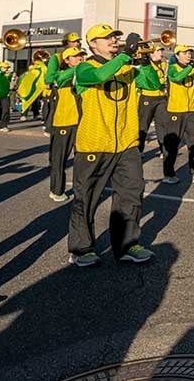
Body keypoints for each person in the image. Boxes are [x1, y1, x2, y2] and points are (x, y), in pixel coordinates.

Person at [68, 24, 159, 266]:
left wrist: (147, 61)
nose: (113, 40)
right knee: (85, 199)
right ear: (92, 44)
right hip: (94, 144)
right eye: (106, 38)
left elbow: (152, 85)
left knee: (131, 194)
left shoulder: (127, 67)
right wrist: (125, 56)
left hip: (127, 143)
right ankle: (81, 248)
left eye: (115, 37)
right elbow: (100, 76)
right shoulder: (85, 68)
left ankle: (127, 244)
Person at [162, 45, 194, 185]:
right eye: (185, 53)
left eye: (189, 53)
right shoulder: (172, 67)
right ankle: (168, 173)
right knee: (173, 144)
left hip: (190, 110)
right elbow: (177, 78)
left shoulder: (193, 69)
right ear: (177, 55)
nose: (188, 55)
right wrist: (191, 68)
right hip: (175, 111)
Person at [48, 46, 86, 202]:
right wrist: (80, 68)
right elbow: (58, 79)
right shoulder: (61, 75)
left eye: (81, 56)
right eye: (76, 56)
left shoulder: (82, 73)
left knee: (82, 158)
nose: (80, 58)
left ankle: (82, 190)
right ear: (67, 60)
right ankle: (56, 190)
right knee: (59, 159)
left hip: (81, 122)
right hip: (63, 123)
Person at [136, 45, 170, 156]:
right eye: (158, 51)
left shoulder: (165, 64)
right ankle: (139, 150)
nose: (161, 53)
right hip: (147, 97)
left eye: (161, 51)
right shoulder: (144, 66)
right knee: (143, 125)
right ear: (150, 53)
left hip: (161, 98)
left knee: (163, 124)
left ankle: (163, 150)